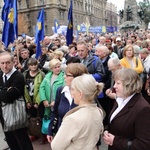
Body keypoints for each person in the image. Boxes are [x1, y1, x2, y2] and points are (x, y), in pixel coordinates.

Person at [51, 74, 104, 150]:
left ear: (80, 94)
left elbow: (56, 146)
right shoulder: (98, 112)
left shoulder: (73, 119)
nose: (72, 93)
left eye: (73, 89)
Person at [103, 68, 150, 150]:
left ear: (129, 84)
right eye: (114, 83)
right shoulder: (121, 99)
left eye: (118, 83)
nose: (114, 86)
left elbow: (144, 145)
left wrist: (115, 140)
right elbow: (115, 120)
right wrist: (107, 130)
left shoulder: (143, 108)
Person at [47, 63, 88, 142]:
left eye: (68, 75)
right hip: (62, 135)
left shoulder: (86, 94)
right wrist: (50, 131)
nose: (64, 77)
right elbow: (54, 112)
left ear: (77, 78)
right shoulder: (61, 90)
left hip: (79, 138)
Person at [0, 52, 33, 150]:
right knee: (11, 143)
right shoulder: (1, 75)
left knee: (22, 142)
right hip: (4, 117)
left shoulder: (18, 76)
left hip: (16, 115)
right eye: (2, 63)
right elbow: (5, 95)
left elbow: (8, 97)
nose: (5, 66)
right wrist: (4, 91)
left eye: (7, 63)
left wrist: (4, 92)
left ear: (13, 62)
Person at [39, 59, 64, 144]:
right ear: (51, 69)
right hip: (48, 104)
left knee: (57, 120)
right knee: (49, 120)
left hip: (58, 104)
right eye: (55, 67)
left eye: (58, 67)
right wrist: (44, 99)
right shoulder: (47, 76)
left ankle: (58, 139)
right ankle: (49, 136)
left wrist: (56, 101)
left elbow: (63, 90)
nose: (57, 69)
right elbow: (41, 88)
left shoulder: (63, 76)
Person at [23, 57, 45, 141]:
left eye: (35, 65)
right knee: (32, 118)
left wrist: (37, 102)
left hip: (38, 99)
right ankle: (34, 133)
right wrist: (27, 101)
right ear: (28, 66)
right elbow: (23, 88)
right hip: (29, 98)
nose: (33, 67)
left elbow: (42, 88)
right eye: (31, 65)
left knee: (40, 117)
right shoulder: (25, 74)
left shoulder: (41, 74)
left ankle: (43, 134)